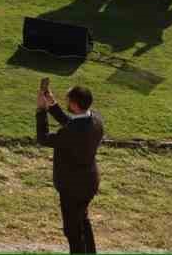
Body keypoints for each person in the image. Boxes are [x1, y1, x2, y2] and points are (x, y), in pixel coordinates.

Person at [35, 83, 103, 254]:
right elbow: (72, 123)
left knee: (72, 231)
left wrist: (41, 110)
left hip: (72, 188)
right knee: (83, 222)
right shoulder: (95, 119)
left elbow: (43, 138)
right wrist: (52, 104)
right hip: (89, 183)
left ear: (74, 104)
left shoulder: (71, 132)